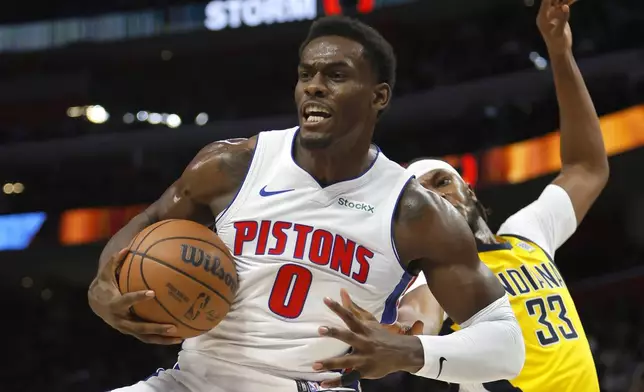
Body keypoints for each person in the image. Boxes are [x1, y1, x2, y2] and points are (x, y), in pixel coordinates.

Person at [87, 16, 525, 392]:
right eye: (306, 74)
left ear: (379, 96)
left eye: (336, 75)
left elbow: (506, 346)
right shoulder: (231, 166)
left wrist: (412, 352)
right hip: (195, 379)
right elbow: (149, 223)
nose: (314, 86)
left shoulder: (416, 212)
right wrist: (101, 292)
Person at [395, 1, 608, 391]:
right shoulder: (438, 276)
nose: (434, 200)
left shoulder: (526, 235)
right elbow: (419, 311)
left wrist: (560, 53)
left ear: (469, 192)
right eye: (418, 200)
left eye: (441, 183)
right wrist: (409, 331)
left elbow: (587, 168)